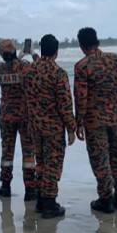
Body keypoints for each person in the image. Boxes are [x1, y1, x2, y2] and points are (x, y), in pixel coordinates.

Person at [74, 27, 117, 213]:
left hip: (94, 122)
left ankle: (105, 200)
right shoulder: (116, 60)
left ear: (81, 45)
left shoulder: (82, 66)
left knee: (99, 158)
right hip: (114, 118)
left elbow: (81, 97)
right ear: (97, 41)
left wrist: (78, 122)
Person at [23, 34, 76, 219]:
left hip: (34, 126)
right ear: (56, 51)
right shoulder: (58, 73)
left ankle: (40, 200)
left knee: (41, 163)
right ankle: (49, 203)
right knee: (53, 165)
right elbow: (65, 104)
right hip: (53, 127)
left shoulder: (29, 71)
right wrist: (71, 128)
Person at [0, 40, 37, 201]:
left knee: (7, 152)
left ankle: (5, 186)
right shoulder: (25, 66)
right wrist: (31, 53)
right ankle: (30, 189)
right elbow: (37, 68)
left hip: (6, 115)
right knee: (28, 152)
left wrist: (18, 58)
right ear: (14, 52)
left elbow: (10, 68)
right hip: (25, 114)